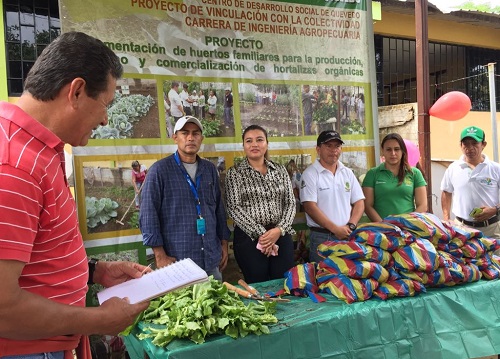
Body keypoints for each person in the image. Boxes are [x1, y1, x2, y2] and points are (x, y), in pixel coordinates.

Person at [0, 31, 150, 358]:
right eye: (106, 104)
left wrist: (95, 270)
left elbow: (36, 251)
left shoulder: (39, 149)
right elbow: (2, 307)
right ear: (77, 91)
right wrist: (96, 319)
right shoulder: (14, 164)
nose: (106, 118)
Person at [140, 116, 230, 281]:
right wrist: (160, 256)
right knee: (183, 306)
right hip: (177, 261)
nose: (190, 138)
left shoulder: (210, 170)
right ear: (175, 138)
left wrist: (224, 243)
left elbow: (218, 210)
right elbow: (148, 214)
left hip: (211, 257)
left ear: (201, 139)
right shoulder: (159, 171)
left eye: (196, 133)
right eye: (184, 133)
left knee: (214, 303)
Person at [225, 125, 296, 283]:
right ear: (243, 146)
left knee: (284, 283)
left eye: (259, 140)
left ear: (267, 143)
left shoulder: (280, 170)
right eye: (249, 141)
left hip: (280, 235)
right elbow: (234, 208)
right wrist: (263, 235)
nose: (254, 144)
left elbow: (290, 202)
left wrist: (280, 229)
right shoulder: (235, 172)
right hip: (249, 238)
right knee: (258, 284)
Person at [300, 130, 365, 263]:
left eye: (337, 146)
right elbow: (310, 207)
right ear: (318, 149)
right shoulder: (310, 174)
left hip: (347, 235)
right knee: (324, 278)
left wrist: (351, 225)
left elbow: (359, 201)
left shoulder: (347, 172)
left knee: (347, 279)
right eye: (328, 146)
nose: (333, 150)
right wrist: (335, 229)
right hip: (322, 237)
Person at [441, 126, 500, 239]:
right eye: (466, 144)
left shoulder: (496, 169)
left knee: (496, 257)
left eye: (474, 143)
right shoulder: (453, 168)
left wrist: (494, 210)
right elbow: (446, 191)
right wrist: (446, 218)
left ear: (483, 145)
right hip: (461, 229)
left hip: (492, 229)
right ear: (460, 145)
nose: (470, 148)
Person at [362, 133, 427, 222]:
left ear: (402, 151)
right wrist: (384, 225)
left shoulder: (415, 173)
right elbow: (367, 205)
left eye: (397, 149)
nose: (393, 153)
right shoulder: (372, 174)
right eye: (388, 149)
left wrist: (407, 224)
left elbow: (423, 205)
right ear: (383, 151)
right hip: (381, 230)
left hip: (408, 229)